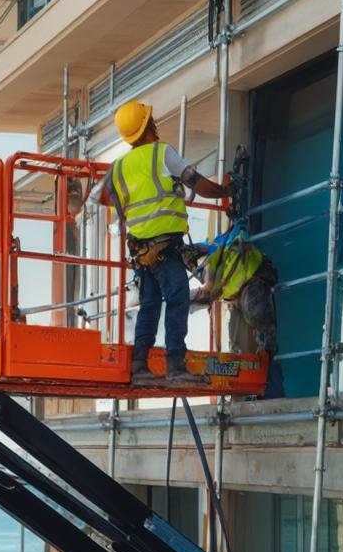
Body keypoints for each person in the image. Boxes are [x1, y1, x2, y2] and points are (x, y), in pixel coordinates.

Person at [89, 100, 235, 383]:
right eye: (151, 121)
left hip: (141, 250)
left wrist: (127, 212)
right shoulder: (162, 153)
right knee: (178, 297)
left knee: (150, 304)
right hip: (165, 246)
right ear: (148, 127)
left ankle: (140, 365)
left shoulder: (119, 167)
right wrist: (227, 190)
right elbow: (199, 184)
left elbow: (103, 197)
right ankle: (176, 366)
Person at [187, 219, 283, 399]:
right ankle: (251, 388)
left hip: (255, 277)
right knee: (238, 342)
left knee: (260, 325)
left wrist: (189, 297)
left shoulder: (212, 257)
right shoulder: (212, 251)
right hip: (240, 291)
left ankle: (268, 380)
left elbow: (207, 289)